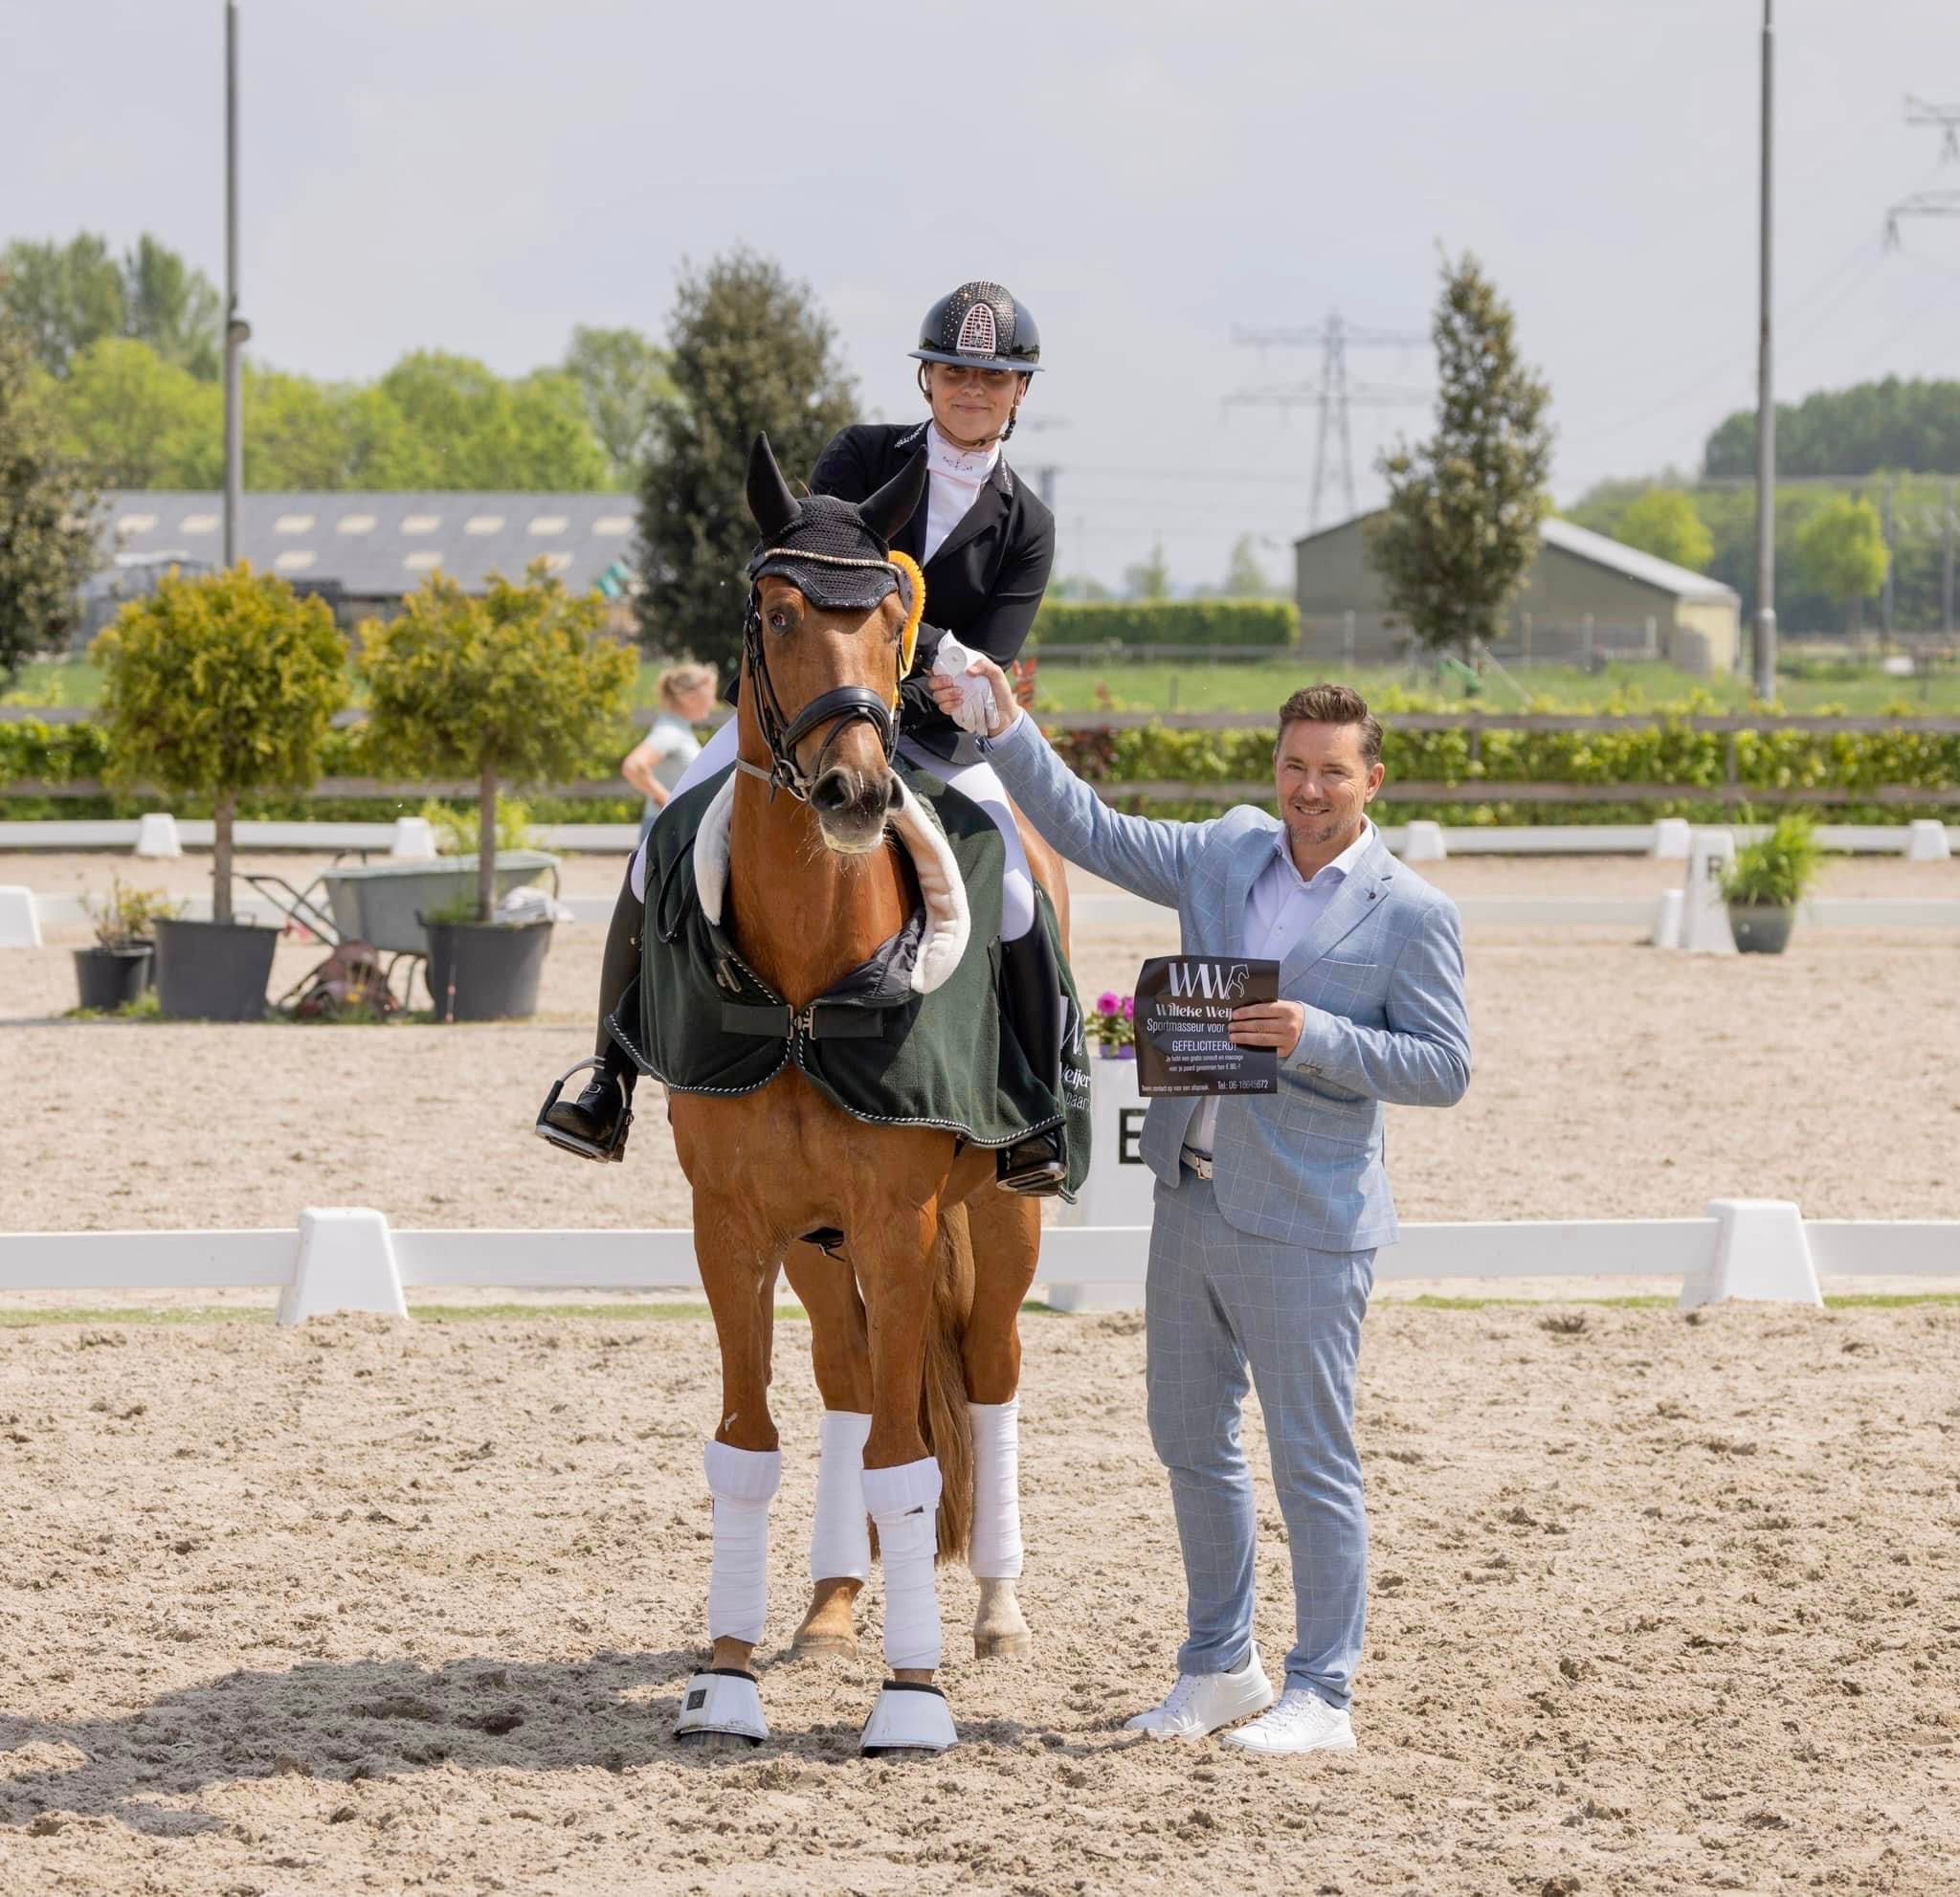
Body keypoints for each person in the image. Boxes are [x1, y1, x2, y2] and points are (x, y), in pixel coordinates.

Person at [929, 655, 1472, 1757]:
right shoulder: (1226, 849)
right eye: (1291, 766)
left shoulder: (1411, 912)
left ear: (1372, 780)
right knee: (1187, 1439)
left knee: (1309, 1457)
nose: (1306, 788)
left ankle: (1323, 1687)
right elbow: (1088, 826)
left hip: (1308, 1220)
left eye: (1329, 771)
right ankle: (1220, 1663)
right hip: (1192, 1199)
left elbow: (1444, 1064)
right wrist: (1003, 725)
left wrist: (1313, 1037)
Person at [540, 280, 1067, 1192]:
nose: (970, 387)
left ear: (1020, 392)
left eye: (992, 374)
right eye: (953, 369)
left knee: (1018, 884)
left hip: (935, 734)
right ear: (927, 379)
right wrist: (872, 651)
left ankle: (1034, 1106)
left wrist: (907, 642)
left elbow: (991, 661)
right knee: (656, 843)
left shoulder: (1027, 524)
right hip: (805, 716)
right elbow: (808, 566)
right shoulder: (860, 456)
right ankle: (608, 1079)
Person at [621, 663, 718, 842]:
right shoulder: (670, 731)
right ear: (691, 697)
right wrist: (667, 800)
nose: (713, 702)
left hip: (674, 829)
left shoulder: (679, 729)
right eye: (710, 695)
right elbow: (633, 766)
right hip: (667, 832)